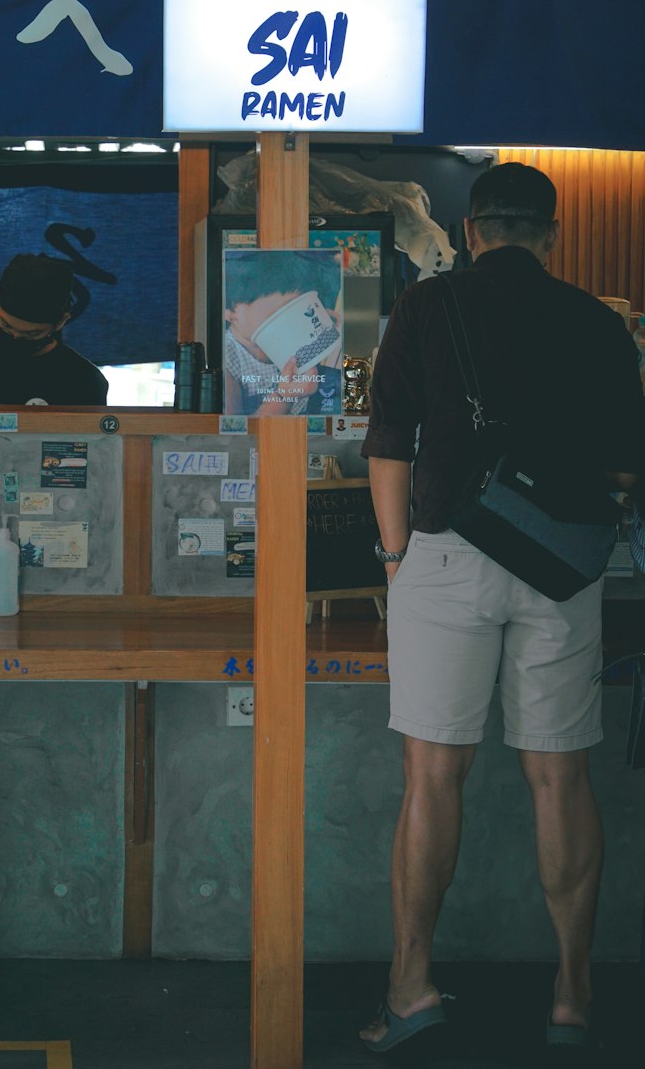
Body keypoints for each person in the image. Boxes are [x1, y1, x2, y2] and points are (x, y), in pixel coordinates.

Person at [359, 162, 645, 1055]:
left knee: (434, 775)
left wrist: (398, 556)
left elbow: (388, 441)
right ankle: (572, 991)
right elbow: (626, 469)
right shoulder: (600, 322)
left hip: (446, 557)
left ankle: (412, 986)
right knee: (560, 775)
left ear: (474, 230)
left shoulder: (425, 307)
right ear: (551, 236)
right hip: (562, 567)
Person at [0, 252, 109, 406]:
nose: (15, 337)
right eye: (6, 326)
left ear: (61, 321)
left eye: (32, 334)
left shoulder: (84, 380)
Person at [222, 249, 342, 416]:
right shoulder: (227, 361)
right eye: (275, 314)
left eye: (293, 308)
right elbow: (237, 433)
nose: (286, 320)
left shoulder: (299, 334)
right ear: (229, 311)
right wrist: (283, 396)